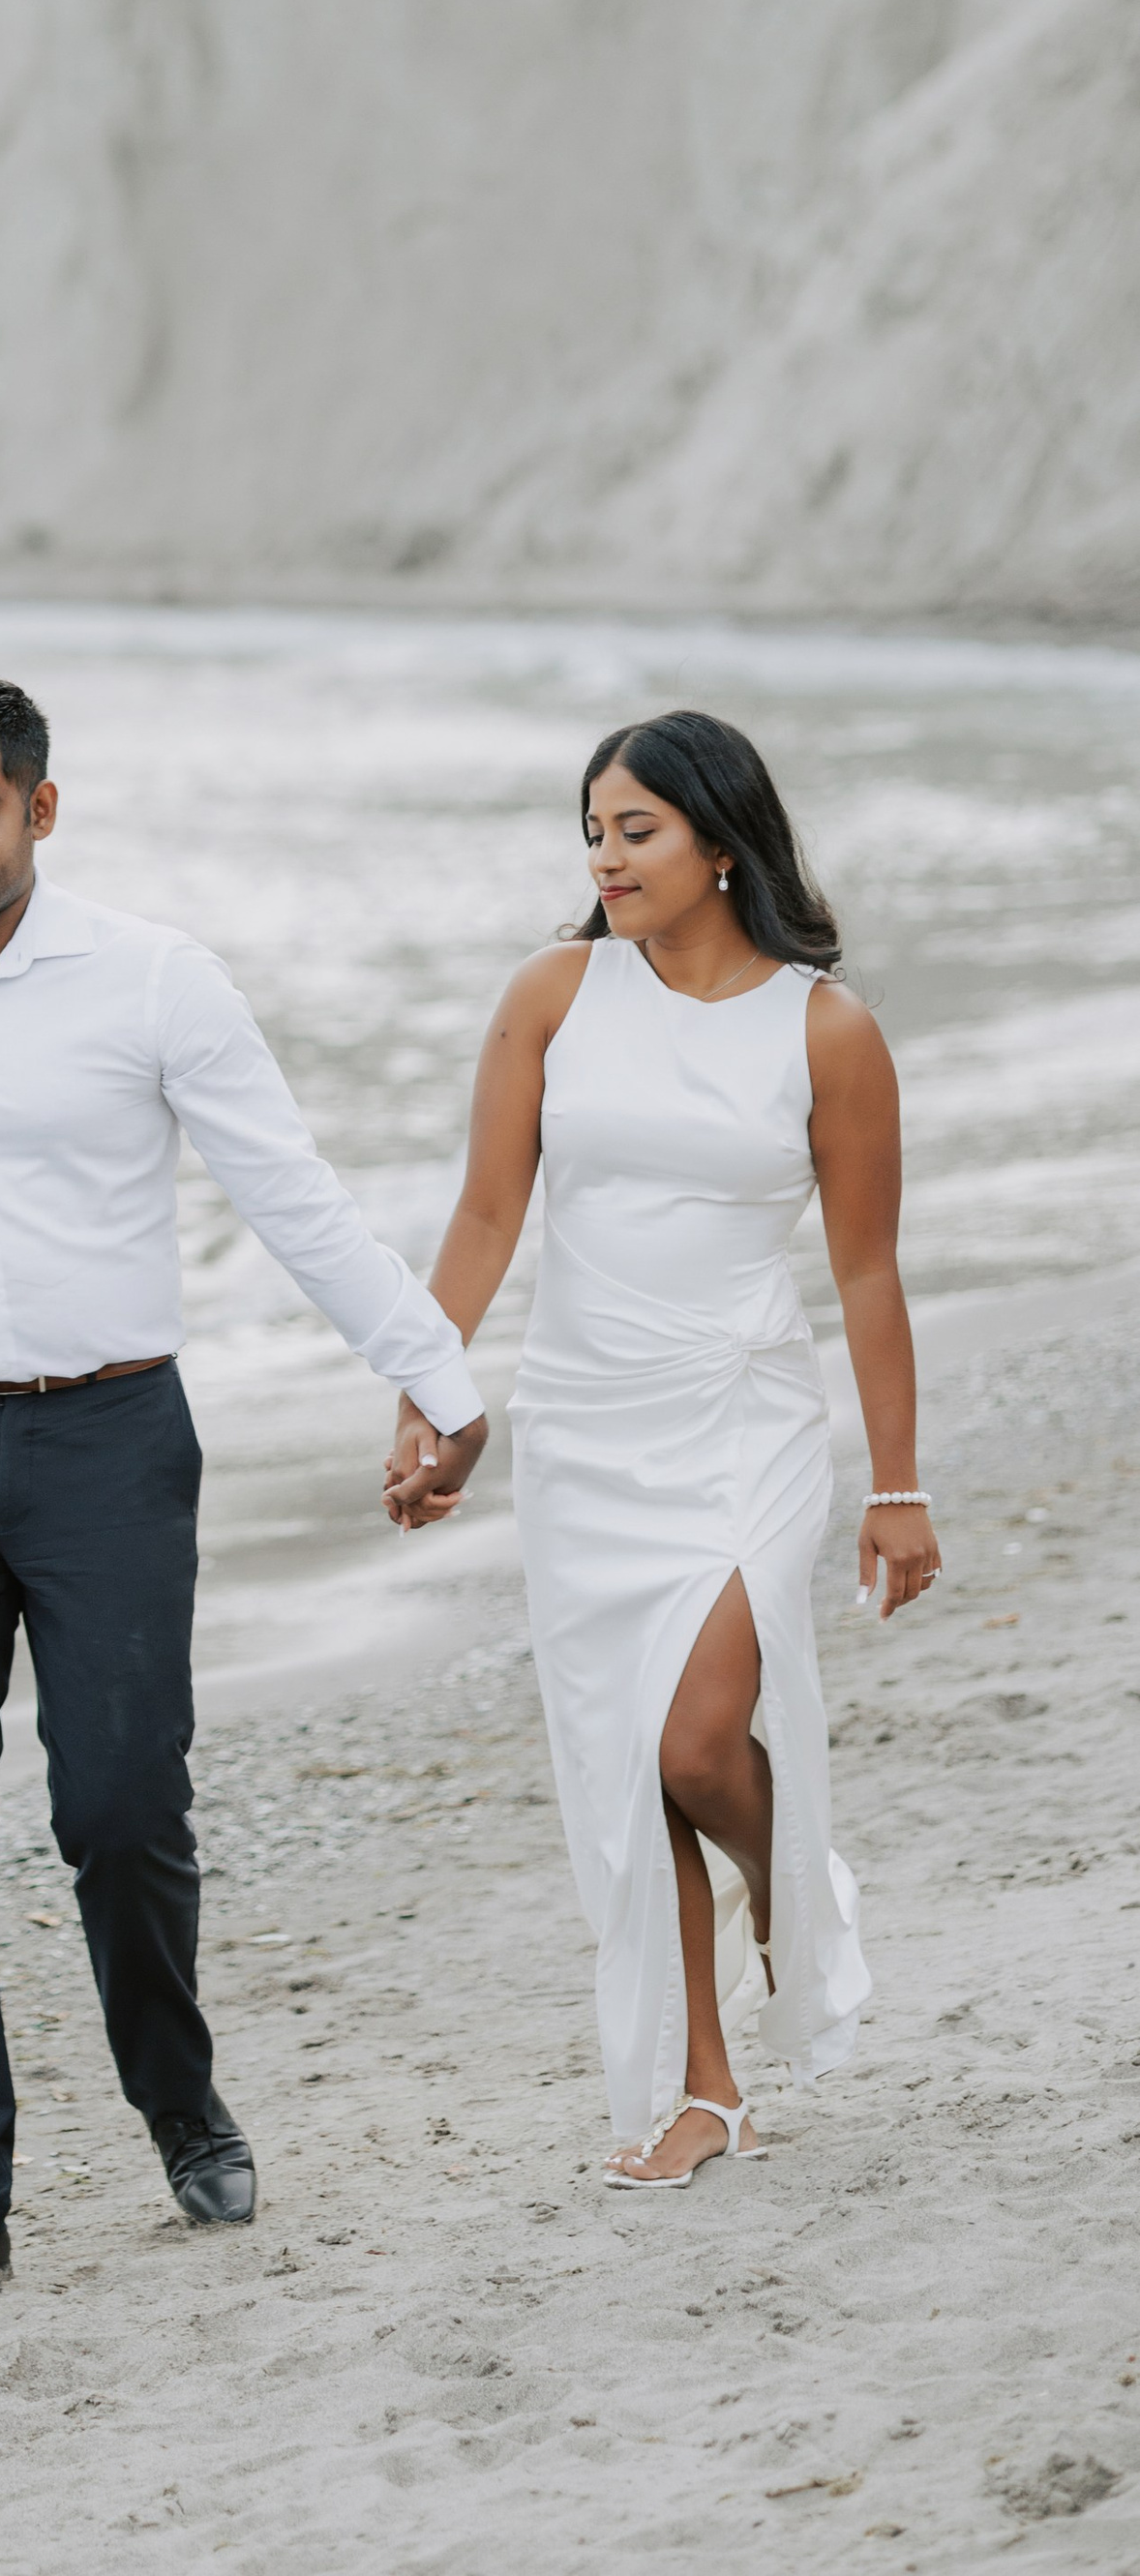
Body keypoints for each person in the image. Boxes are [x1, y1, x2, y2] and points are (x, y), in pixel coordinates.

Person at [0, 673, 487, 2321]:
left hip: (112, 1446)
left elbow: (291, 1191)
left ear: (40, 811)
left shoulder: (152, 981)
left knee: (121, 1810)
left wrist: (434, 1371)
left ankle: (177, 2101)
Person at [386, 709, 940, 2185]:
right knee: (634, 1771)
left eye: (636, 830)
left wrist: (897, 1485)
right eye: (593, 829)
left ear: (719, 840)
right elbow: (487, 1220)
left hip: (742, 1421)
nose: (605, 856)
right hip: (585, 1428)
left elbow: (869, 1272)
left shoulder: (827, 1029)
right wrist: (428, 1392)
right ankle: (706, 2087)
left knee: (700, 1743)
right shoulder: (555, 995)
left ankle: (782, 1873)